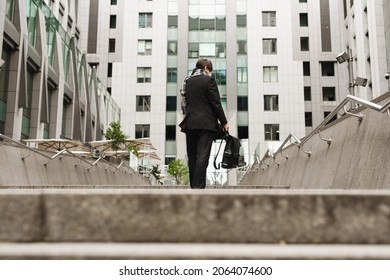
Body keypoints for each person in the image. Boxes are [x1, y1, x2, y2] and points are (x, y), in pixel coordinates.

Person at [181, 58, 229, 189]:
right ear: (206, 69)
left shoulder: (187, 81)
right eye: (211, 71)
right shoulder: (209, 81)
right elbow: (216, 104)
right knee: (203, 155)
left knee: (192, 156)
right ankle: (198, 187)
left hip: (190, 123)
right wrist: (224, 122)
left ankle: (193, 186)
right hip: (206, 124)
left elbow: (184, 104)